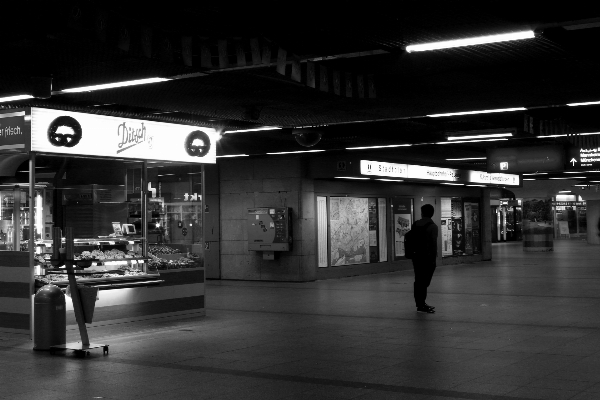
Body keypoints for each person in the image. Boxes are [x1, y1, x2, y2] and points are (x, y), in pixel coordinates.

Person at [411, 204, 439, 314]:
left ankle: (420, 303)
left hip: (416, 257)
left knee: (418, 280)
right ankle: (422, 304)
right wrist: (433, 260)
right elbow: (433, 245)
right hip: (427, 258)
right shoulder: (433, 226)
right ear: (432, 213)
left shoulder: (416, 224)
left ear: (422, 212)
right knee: (425, 281)